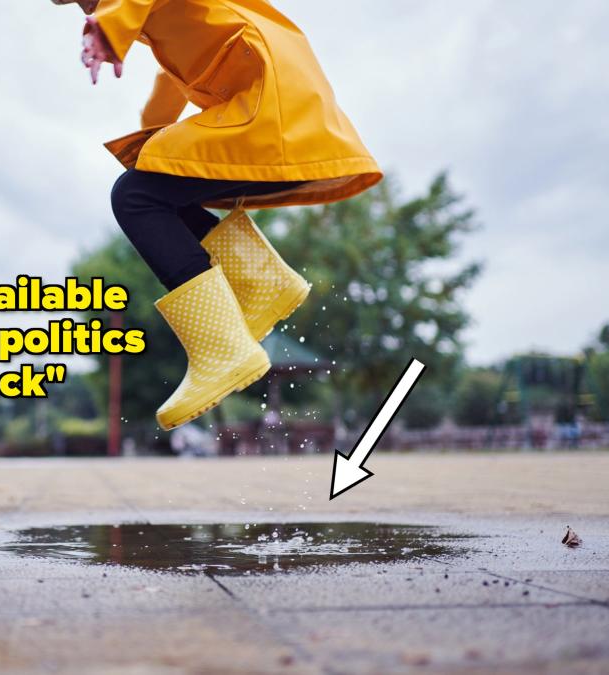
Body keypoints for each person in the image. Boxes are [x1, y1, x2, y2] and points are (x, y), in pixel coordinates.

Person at [54, 0, 382, 430]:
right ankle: (259, 284)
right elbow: (168, 85)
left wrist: (111, 27)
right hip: (279, 103)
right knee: (153, 184)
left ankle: (221, 350)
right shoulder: (156, 21)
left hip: (269, 104)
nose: (86, 9)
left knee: (135, 198)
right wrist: (152, 143)